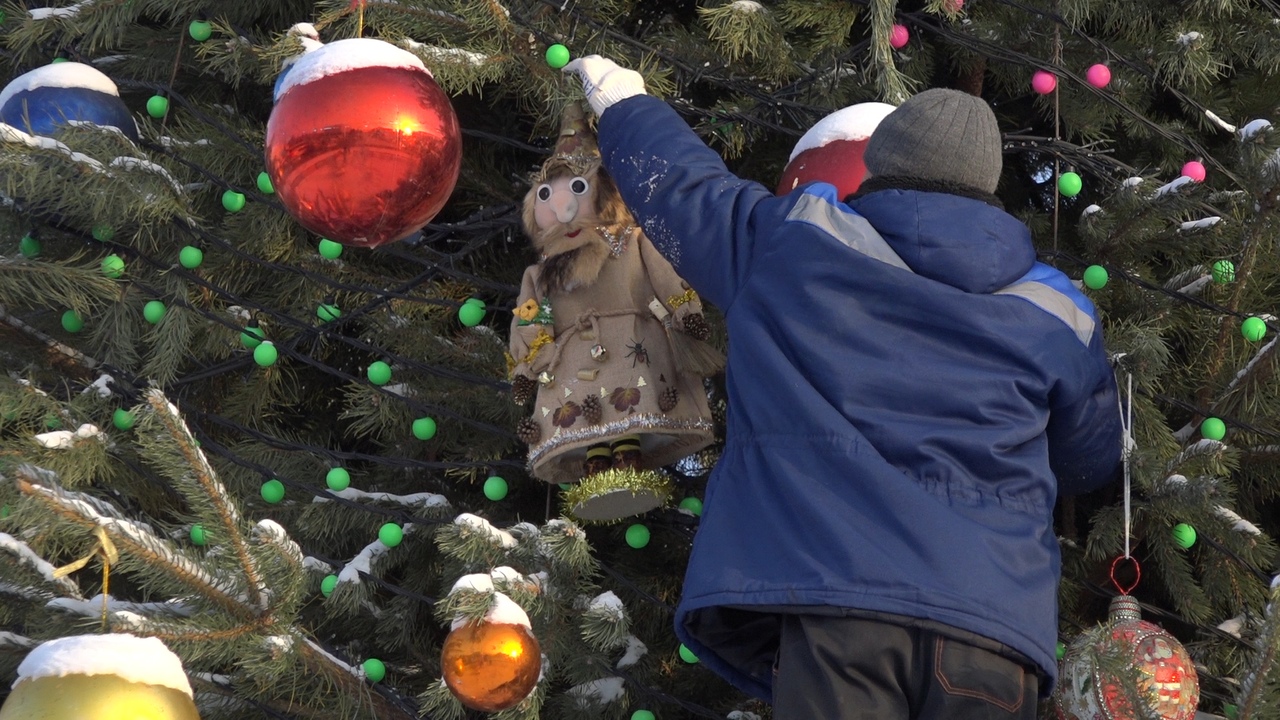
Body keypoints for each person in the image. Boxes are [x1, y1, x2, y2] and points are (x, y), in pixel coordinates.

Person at [564, 56, 1123, 719]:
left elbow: (686, 193)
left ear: (880, 164)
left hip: (836, 605)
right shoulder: (1057, 310)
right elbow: (1092, 458)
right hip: (992, 628)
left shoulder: (793, 243)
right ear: (990, 185)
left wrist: (625, 102)